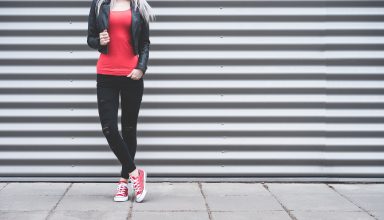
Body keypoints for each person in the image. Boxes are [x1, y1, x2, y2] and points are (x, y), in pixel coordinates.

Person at [87, 0, 156, 203]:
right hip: (106, 74)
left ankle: (123, 182)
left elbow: (144, 42)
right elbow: (90, 38)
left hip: (131, 75)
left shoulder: (139, 7)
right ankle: (136, 174)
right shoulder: (99, 4)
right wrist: (98, 40)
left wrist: (141, 68)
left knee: (128, 129)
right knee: (109, 127)